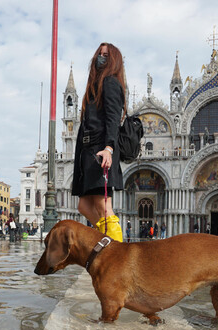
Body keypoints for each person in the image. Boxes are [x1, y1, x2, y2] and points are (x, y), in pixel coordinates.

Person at [70, 42, 126, 241]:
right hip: (87, 151)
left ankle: (117, 253)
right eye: (99, 54)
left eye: (105, 55)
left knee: (103, 206)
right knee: (83, 206)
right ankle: (107, 239)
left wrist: (109, 148)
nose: (100, 58)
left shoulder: (110, 82)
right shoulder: (94, 86)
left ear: (114, 61)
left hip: (100, 150)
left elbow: (113, 118)